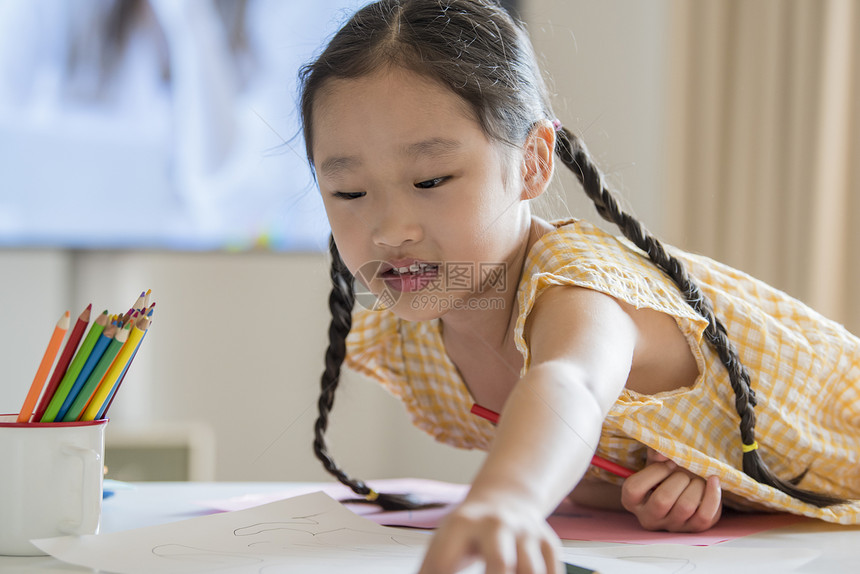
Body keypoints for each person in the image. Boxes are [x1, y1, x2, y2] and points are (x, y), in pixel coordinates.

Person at [297, 0, 860, 572]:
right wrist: (639, 493)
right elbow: (589, 452)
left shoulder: (578, 287)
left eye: (431, 179)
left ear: (533, 163)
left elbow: (571, 385)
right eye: (348, 192)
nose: (391, 231)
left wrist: (507, 501)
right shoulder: (416, 340)